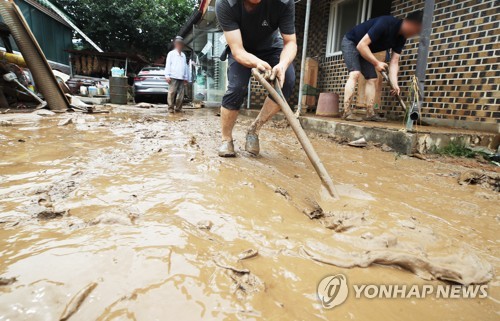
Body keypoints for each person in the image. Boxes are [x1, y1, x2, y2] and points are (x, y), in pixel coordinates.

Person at [215, 0, 297, 157]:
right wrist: (256, 62)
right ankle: (226, 140)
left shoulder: (284, 2)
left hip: (272, 47)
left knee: (287, 82)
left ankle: (254, 129)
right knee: (236, 88)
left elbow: (290, 42)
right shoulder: (226, 3)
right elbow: (237, 50)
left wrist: (283, 64)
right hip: (242, 48)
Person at [341, 10, 423, 122]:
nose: (415, 34)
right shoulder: (386, 23)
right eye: (417, 30)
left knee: (372, 78)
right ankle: (346, 112)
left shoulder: (401, 38)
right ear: (410, 23)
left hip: (365, 49)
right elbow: (361, 45)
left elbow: (394, 62)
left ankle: (370, 113)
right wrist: (376, 63)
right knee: (355, 73)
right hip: (352, 42)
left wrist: (395, 84)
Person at [165, 36, 189, 113]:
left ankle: (178, 108)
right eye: (178, 43)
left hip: (181, 77)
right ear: (175, 44)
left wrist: (186, 77)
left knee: (181, 95)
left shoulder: (183, 55)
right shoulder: (171, 54)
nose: (179, 45)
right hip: (173, 76)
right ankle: (170, 109)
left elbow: (185, 66)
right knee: (171, 93)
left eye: (181, 43)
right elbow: (168, 65)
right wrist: (167, 76)